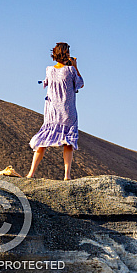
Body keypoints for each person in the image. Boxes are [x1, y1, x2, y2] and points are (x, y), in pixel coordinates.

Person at [26, 42, 84, 180]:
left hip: (52, 112)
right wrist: (75, 67)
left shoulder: (49, 70)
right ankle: (67, 175)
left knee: (43, 141)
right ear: (67, 54)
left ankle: (31, 173)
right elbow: (80, 83)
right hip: (68, 111)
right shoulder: (70, 71)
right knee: (68, 143)